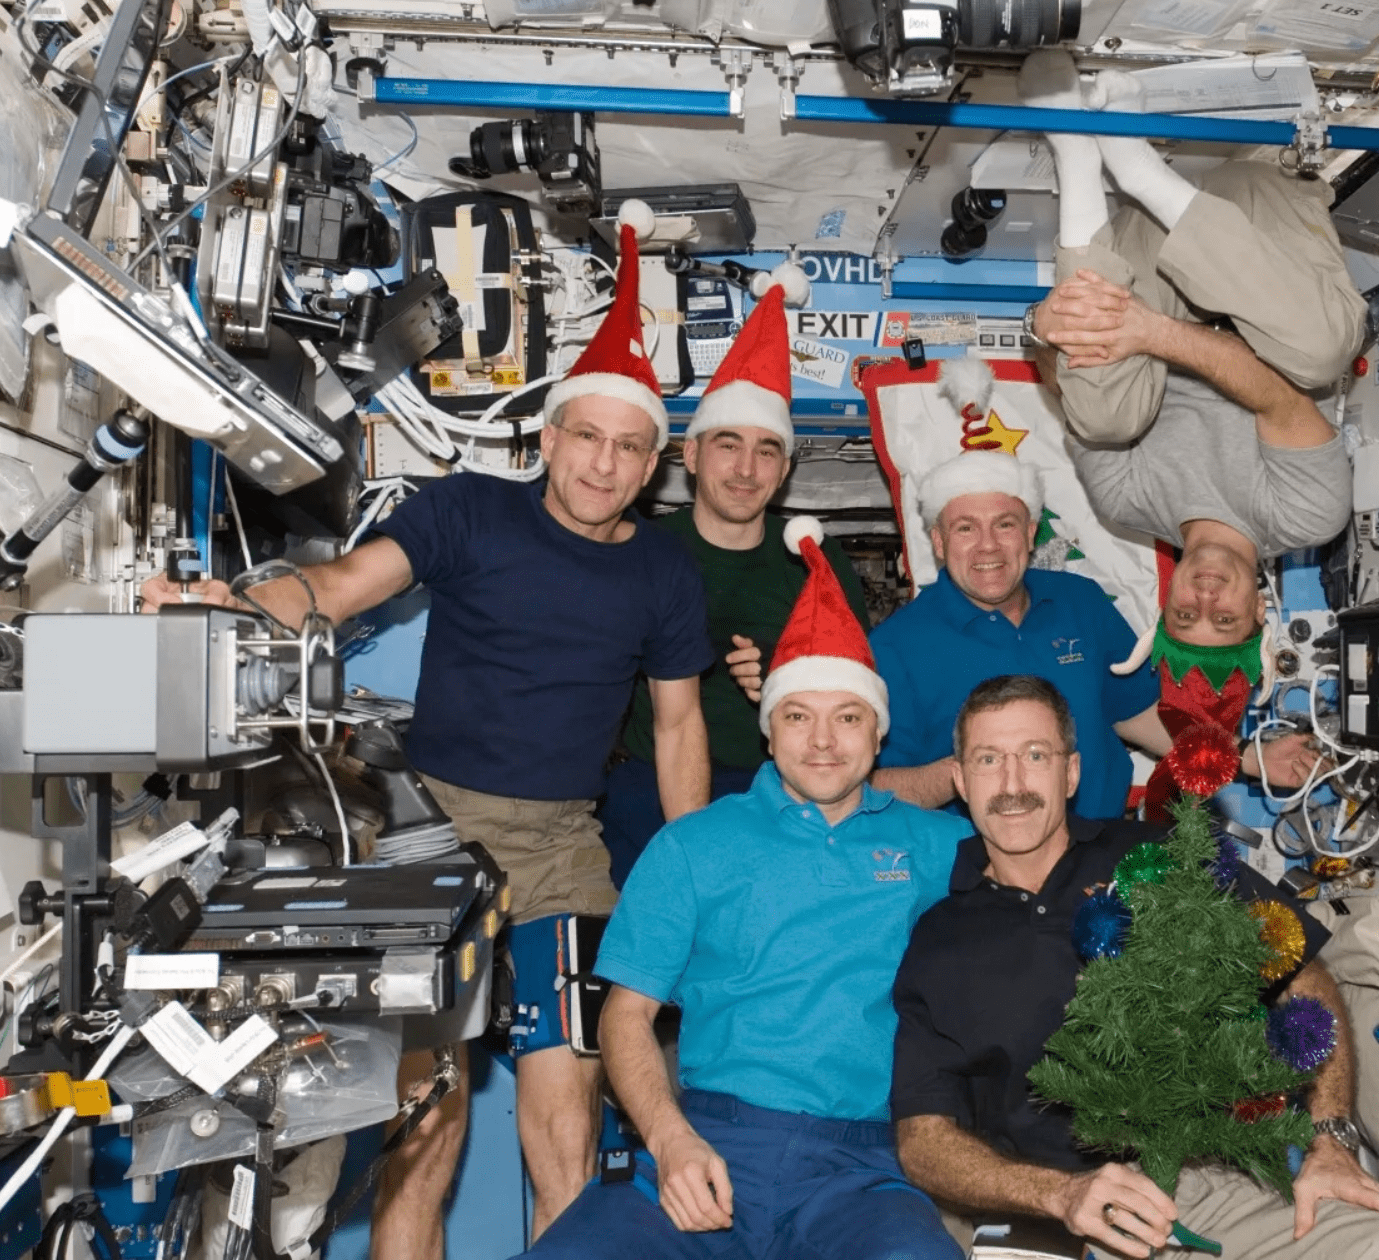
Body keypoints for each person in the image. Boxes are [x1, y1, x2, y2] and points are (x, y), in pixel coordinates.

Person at [141, 202, 713, 1260]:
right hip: (428, 836)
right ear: (551, 436)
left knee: (566, 1126)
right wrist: (226, 608)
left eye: (630, 448)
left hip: (561, 852)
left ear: (652, 464)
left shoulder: (662, 569)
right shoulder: (465, 512)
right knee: (423, 1124)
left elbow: (679, 729)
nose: (603, 464)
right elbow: (343, 587)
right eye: (587, 436)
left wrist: (698, 876)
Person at [890, 675, 1379, 1260]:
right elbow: (922, 1140)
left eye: (1035, 755)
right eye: (989, 759)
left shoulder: (1160, 855)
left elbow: (1302, 976)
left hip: (1211, 1188)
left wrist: (1329, 1138)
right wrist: (1059, 1194)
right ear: (961, 780)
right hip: (1049, 1212)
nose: (1013, 784)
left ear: (1070, 773)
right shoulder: (940, 939)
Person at [522, 517, 966, 1260]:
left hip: (859, 1169)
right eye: (798, 715)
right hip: (707, 1142)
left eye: (848, 717)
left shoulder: (939, 846)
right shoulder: (694, 844)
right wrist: (669, 1141)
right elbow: (624, 1018)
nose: (823, 741)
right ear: (769, 728)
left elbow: (1045, 867)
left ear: (878, 732)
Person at [1015, 50, 1360, 655]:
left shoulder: (1125, 506)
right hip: (1257, 222)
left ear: (1166, 597)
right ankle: (1137, 168)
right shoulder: (1307, 519)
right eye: (1224, 619)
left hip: (1149, 256)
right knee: (1320, 354)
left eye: (1184, 615)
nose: (1205, 601)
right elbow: (1281, 400)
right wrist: (1154, 335)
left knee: (1100, 417)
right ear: (1259, 607)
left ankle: (1077, 149)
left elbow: (1065, 378)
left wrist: (1042, 330)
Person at [603, 263, 870, 886]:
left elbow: (862, 695)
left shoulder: (815, 561)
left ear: (784, 471)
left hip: (782, 797)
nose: (746, 468)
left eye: (767, 450)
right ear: (691, 455)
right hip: (644, 792)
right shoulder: (637, 550)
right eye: (728, 443)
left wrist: (795, 671)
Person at [863, 441, 1169, 819]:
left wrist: (1244, 756)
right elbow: (872, 787)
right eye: (966, 528)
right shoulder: (894, 647)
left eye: (1004, 524)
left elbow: (1136, 711)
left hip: (1100, 853)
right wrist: (975, 769)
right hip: (971, 866)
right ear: (939, 543)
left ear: (1030, 533)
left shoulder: (1080, 601)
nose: (988, 546)